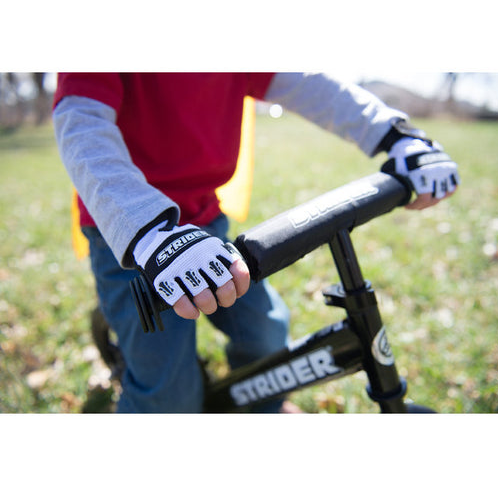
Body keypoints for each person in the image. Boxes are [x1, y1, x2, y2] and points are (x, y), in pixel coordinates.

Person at [52, 73, 459, 413]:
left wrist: (395, 134)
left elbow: (310, 84)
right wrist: (147, 232)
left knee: (266, 332)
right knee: (169, 398)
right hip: (130, 232)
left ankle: (261, 408)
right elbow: (81, 122)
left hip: (204, 220)